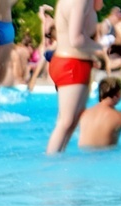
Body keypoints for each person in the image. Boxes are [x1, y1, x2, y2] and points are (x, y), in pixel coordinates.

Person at [47, 0, 101, 153]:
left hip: (75, 63)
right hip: (70, 64)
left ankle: (57, 158)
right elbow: (76, 40)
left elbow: (97, 8)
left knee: (72, 120)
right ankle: (50, 163)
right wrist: (102, 49)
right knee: (66, 121)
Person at [77, 77, 121, 147]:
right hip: (108, 155)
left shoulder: (84, 114)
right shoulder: (119, 117)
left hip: (83, 156)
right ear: (119, 94)